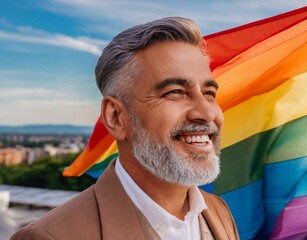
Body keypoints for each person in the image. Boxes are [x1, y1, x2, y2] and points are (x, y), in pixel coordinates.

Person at [11, 17, 239, 240]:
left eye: (209, 94)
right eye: (175, 92)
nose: (208, 113)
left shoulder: (218, 211)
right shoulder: (51, 236)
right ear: (116, 117)